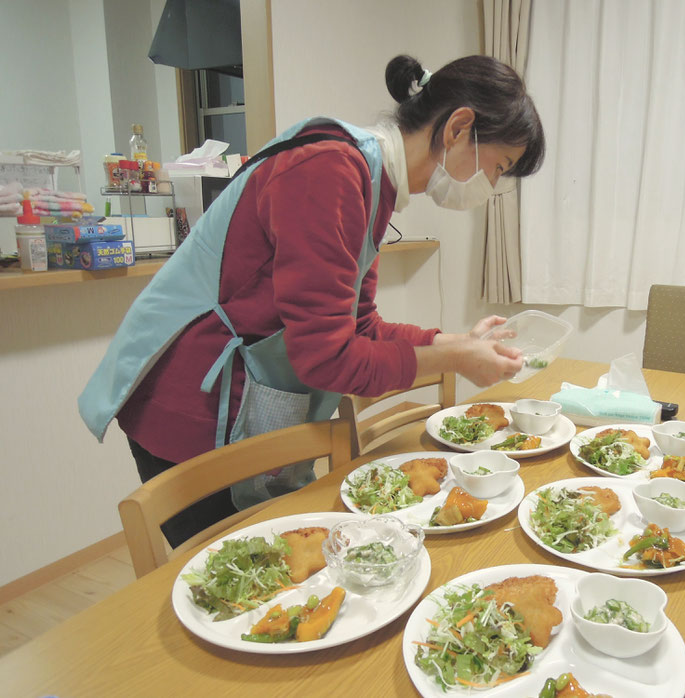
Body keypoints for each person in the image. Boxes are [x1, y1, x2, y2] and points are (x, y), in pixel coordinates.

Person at [78, 54, 545, 548]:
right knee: (242, 589)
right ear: (459, 127)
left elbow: (359, 327)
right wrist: (451, 358)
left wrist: (453, 342)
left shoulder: (372, 185)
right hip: (190, 405)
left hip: (241, 399)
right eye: (498, 167)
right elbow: (328, 358)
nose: (491, 187)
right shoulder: (330, 171)